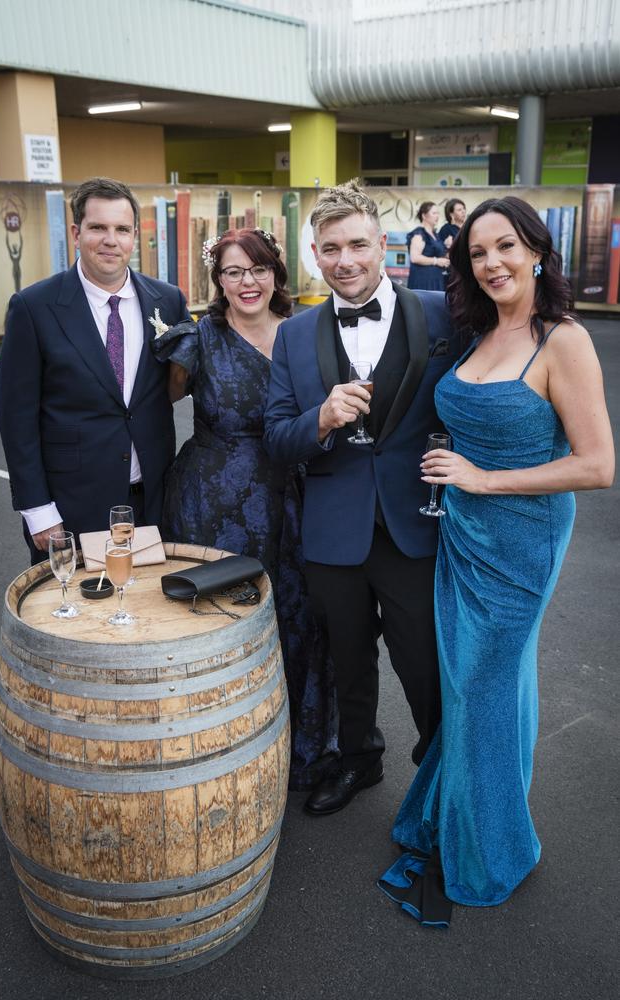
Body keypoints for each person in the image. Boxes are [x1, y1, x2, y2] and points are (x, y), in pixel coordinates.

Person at [379, 196, 615, 926]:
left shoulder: (563, 339)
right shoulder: (477, 331)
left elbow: (598, 465)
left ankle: (495, 850)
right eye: (477, 253)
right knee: (473, 688)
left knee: (483, 689)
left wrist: (482, 479)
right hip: (462, 535)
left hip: (522, 540)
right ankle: (454, 816)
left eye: (506, 247)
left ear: (538, 251)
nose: (492, 263)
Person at [263, 180, 459, 816]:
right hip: (333, 532)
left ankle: (440, 777)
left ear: (383, 247)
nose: (344, 259)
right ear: (315, 256)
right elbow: (275, 439)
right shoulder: (293, 336)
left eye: (356, 245)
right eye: (330, 248)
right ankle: (359, 762)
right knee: (348, 662)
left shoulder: (443, 314)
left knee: (425, 665)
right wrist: (320, 419)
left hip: (414, 526)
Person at [152, 227, 338, 790]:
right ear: (218, 281)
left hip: (296, 500)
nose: (246, 282)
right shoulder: (199, 339)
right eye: (232, 272)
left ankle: (300, 750)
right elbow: (151, 403)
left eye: (257, 269)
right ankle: (215, 751)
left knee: (300, 621)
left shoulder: (307, 332)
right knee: (219, 626)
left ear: (277, 274)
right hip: (212, 505)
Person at [0, 176, 190, 564]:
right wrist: (38, 511)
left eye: (122, 229)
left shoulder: (167, 301)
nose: (110, 240)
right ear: (75, 231)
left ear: (135, 235)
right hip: (72, 508)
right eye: (98, 227)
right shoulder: (34, 308)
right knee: (77, 616)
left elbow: (182, 377)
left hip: (152, 499)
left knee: (150, 613)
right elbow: (16, 419)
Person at [406, 202, 451, 291]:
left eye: (438, 213)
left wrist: (448, 245)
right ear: (424, 216)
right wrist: (436, 261)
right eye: (434, 213)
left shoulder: (435, 235)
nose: (437, 216)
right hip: (423, 281)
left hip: (436, 280)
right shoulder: (419, 233)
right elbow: (414, 258)